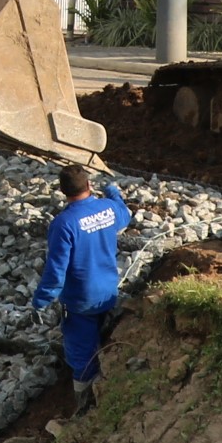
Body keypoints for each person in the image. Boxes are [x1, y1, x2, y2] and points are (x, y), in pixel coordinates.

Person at [31, 164, 132, 413]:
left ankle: (86, 406)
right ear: (89, 186)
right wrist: (112, 191)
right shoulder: (107, 209)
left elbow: (56, 271)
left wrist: (41, 301)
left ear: (63, 191)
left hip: (80, 300)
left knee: (81, 354)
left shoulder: (63, 224)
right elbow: (125, 215)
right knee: (100, 332)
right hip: (108, 292)